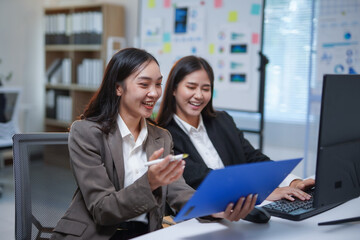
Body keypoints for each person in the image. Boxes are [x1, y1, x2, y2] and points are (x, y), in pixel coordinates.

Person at [51, 48, 257, 240]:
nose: (155, 93)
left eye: (158, 84)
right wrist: (150, 182)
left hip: (147, 234)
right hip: (98, 234)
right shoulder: (86, 132)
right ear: (118, 88)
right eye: (144, 84)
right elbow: (102, 209)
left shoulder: (162, 137)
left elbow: (178, 190)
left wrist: (215, 208)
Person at [156, 55, 315, 202]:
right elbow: (203, 179)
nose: (199, 95)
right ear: (174, 89)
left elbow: (253, 158)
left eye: (205, 89)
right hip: (204, 216)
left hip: (244, 211)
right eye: (191, 87)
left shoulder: (222, 121)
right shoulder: (163, 135)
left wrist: (292, 182)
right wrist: (261, 192)